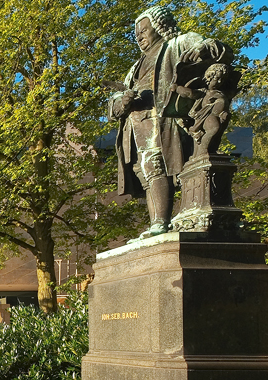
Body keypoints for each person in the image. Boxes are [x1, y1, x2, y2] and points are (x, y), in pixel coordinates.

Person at [109, 6, 232, 239]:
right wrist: (121, 102)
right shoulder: (135, 68)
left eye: (144, 31)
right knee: (145, 173)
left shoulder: (177, 44)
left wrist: (202, 48)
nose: (140, 37)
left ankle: (160, 224)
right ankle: (157, 223)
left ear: (159, 26)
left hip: (163, 122)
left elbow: (218, 48)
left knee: (157, 166)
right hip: (136, 128)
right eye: (137, 35)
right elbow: (115, 101)